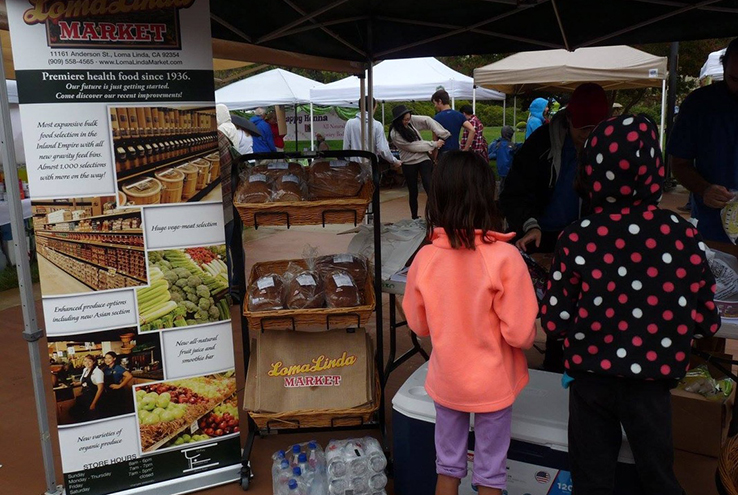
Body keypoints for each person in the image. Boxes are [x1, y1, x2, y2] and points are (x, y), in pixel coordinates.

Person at [541, 114, 720, 495]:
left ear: (593, 171)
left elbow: (554, 322)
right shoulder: (683, 234)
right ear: (653, 167)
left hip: (590, 383)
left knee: (591, 481)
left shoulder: (577, 238)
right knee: (658, 477)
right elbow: (708, 318)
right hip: (652, 385)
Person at [402, 151, 538, 495]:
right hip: (493, 385)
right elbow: (521, 334)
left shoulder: (426, 257)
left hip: (447, 381)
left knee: (447, 468)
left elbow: (419, 325)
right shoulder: (505, 257)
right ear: (486, 194)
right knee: (490, 474)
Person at [500, 82, 610, 254]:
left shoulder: (609, 149)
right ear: (568, 118)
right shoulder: (540, 144)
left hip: (584, 237)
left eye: (593, 128)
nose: (587, 134)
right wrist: (529, 225)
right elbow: (514, 193)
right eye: (581, 127)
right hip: (538, 235)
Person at [668, 37, 738, 243]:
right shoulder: (699, 104)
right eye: (735, 79)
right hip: (713, 230)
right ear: (724, 68)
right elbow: (679, 164)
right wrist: (704, 189)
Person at [388, 105, 450, 219]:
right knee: (413, 191)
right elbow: (414, 146)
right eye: (405, 120)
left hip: (423, 159)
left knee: (429, 186)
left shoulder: (410, 121)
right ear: (398, 120)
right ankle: (414, 216)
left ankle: (436, 215)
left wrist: (441, 132)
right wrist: (434, 144)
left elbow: (427, 120)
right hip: (408, 162)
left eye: (409, 118)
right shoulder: (395, 134)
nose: (408, 121)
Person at [343, 96, 401, 167]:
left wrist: (348, 160)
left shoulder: (350, 123)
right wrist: (394, 161)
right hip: (371, 164)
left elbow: (346, 147)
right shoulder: (377, 125)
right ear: (374, 107)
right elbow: (383, 149)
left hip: (354, 164)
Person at [431, 89, 476, 154]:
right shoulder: (459, 115)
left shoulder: (436, 118)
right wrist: (466, 149)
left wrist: (434, 158)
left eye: (435, 103)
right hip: (455, 153)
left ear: (440, 101)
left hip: (443, 153)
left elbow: (435, 140)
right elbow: (472, 130)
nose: (435, 106)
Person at [71, 355, 104, 422]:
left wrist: (93, 404)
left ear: (94, 362)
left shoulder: (97, 372)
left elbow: (100, 389)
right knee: (73, 412)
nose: (87, 363)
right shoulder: (85, 370)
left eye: (90, 361)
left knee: (92, 417)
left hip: (93, 397)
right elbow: (84, 381)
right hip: (85, 396)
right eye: (85, 361)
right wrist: (76, 383)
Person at [100, 351, 133, 417]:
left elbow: (129, 376)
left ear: (114, 359)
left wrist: (119, 386)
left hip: (117, 393)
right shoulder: (105, 368)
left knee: (118, 411)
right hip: (108, 393)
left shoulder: (118, 367)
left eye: (109, 358)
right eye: (106, 358)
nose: (107, 360)